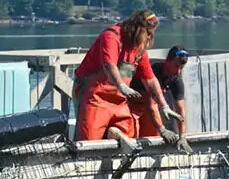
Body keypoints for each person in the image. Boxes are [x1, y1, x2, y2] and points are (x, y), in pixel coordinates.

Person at [72, 10, 182, 146]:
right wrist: (121, 85)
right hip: (93, 96)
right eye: (148, 33)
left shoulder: (138, 49)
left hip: (119, 99)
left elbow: (150, 80)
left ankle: (113, 134)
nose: (150, 37)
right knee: (88, 140)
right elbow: (109, 65)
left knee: (129, 135)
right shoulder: (111, 37)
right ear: (138, 29)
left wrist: (164, 106)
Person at [135, 46, 190, 138]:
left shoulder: (176, 80)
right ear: (167, 61)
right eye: (176, 66)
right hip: (132, 103)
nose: (178, 72)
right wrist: (162, 130)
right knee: (133, 132)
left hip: (149, 108)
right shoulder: (153, 72)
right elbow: (151, 105)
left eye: (181, 68)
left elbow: (181, 110)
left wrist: (182, 135)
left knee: (153, 134)